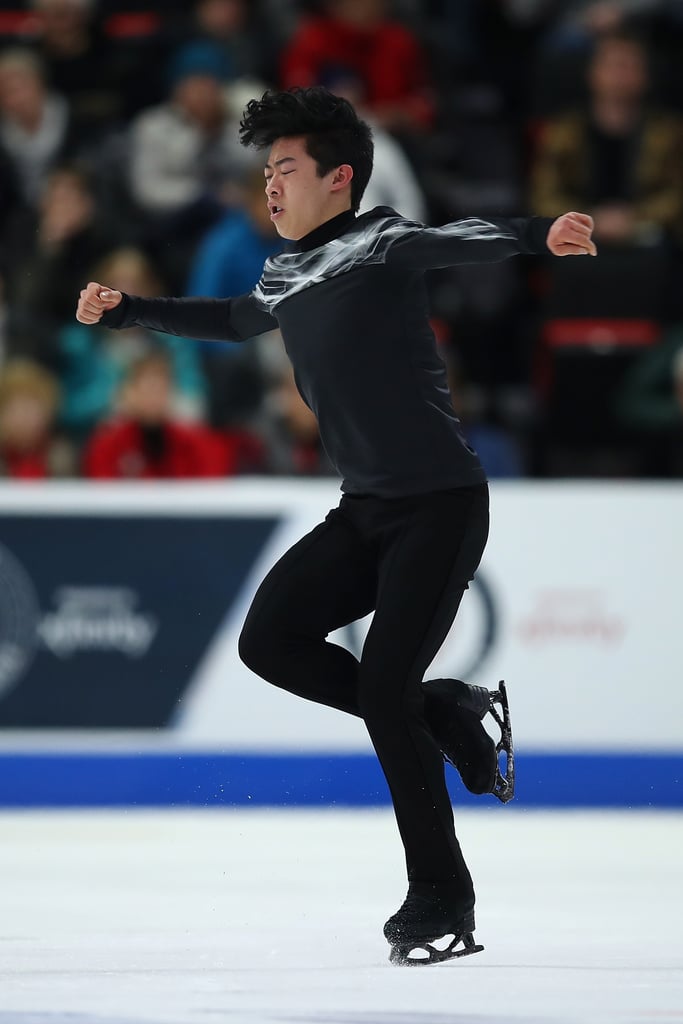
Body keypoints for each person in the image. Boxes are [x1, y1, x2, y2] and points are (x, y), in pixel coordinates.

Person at [76, 86, 597, 965]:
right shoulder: (282, 275)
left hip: (437, 505)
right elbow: (237, 321)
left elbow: (456, 238)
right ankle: (451, 713)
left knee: (384, 691)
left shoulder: (380, 241)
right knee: (269, 642)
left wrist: (537, 231)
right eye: (265, 171)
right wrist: (131, 309)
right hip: (364, 510)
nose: (269, 187)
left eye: (284, 169)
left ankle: (441, 895)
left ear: (339, 176)